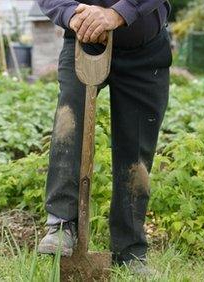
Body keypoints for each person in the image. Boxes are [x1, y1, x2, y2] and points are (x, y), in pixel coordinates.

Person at [37, 0, 172, 273]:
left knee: (136, 151)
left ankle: (130, 251)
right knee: (69, 124)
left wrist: (118, 13)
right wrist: (68, 12)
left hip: (145, 50)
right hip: (83, 40)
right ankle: (61, 225)